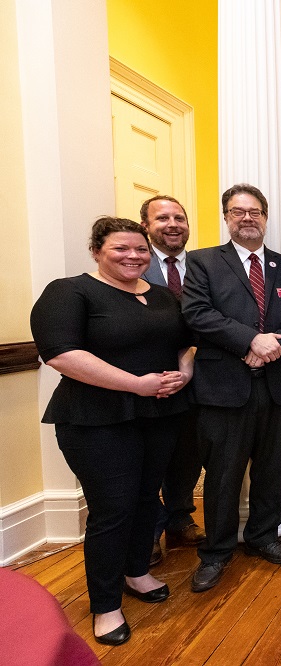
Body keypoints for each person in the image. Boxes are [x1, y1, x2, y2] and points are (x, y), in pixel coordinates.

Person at [30, 217, 194, 645]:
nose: (133, 256)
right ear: (97, 251)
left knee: (146, 498)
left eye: (140, 249)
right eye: (121, 248)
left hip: (160, 414)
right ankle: (105, 606)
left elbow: (186, 341)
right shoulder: (69, 291)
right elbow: (61, 354)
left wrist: (183, 372)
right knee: (112, 509)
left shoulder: (161, 295)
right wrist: (136, 384)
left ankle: (137, 572)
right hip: (96, 418)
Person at [182, 183, 281, 593]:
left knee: (270, 466)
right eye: (238, 211)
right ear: (226, 217)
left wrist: (273, 343)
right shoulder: (203, 262)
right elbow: (197, 314)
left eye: (254, 211)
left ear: (266, 216)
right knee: (223, 473)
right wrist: (249, 341)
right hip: (225, 384)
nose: (247, 218)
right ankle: (217, 552)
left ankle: (263, 535)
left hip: (275, 384)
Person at [139, 195, 205, 566]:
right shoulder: (134, 262)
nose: (173, 224)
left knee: (187, 454)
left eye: (179, 217)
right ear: (146, 225)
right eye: (162, 218)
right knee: (149, 459)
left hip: (196, 378)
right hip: (148, 379)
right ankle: (147, 532)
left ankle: (180, 519)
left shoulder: (202, 265)